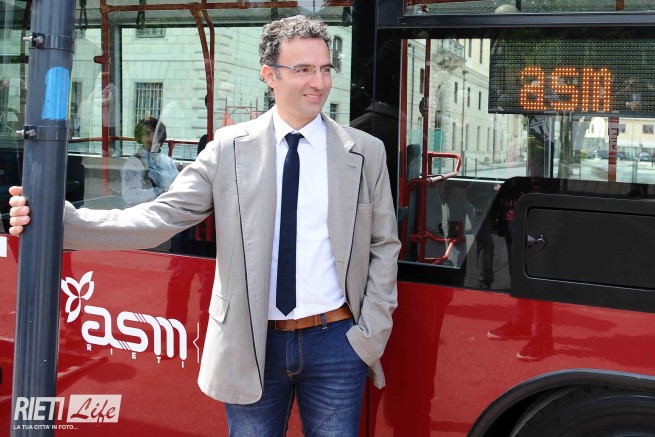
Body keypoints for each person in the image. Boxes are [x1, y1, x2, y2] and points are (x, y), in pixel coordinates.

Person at [9, 15, 400, 436]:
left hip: (337, 342)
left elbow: (384, 245)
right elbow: (162, 216)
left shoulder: (364, 152)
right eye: (303, 69)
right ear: (269, 75)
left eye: (325, 69)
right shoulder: (229, 148)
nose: (319, 82)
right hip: (249, 340)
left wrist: (368, 335)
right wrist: (61, 222)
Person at [121, 117, 178, 206]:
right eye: (147, 133)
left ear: (161, 137)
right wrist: (162, 192)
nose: (151, 138)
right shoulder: (134, 163)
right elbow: (131, 196)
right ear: (140, 137)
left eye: (155, 134)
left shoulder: (167, 162)